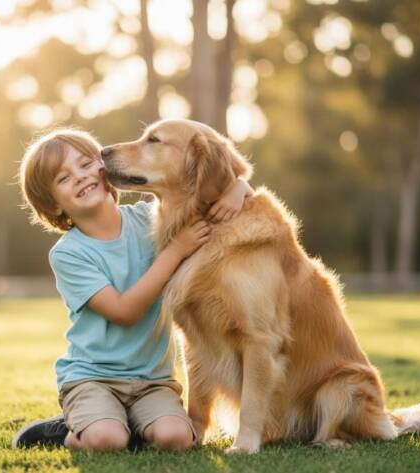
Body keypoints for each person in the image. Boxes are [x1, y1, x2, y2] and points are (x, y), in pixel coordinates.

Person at [13, 128, 252, 451]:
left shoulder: (148, 219)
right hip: (92, 378)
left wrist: (239, 187)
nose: (81, 177)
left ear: (107, 170)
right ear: (53, 205)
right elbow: (124, 312)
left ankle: (120, 423)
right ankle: (70, 429)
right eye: (64, 178)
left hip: (152, 381)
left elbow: (205, 195)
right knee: (107, 440)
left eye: (86, 164)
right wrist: (174, 251)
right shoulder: (69, 254)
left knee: (177, 438)